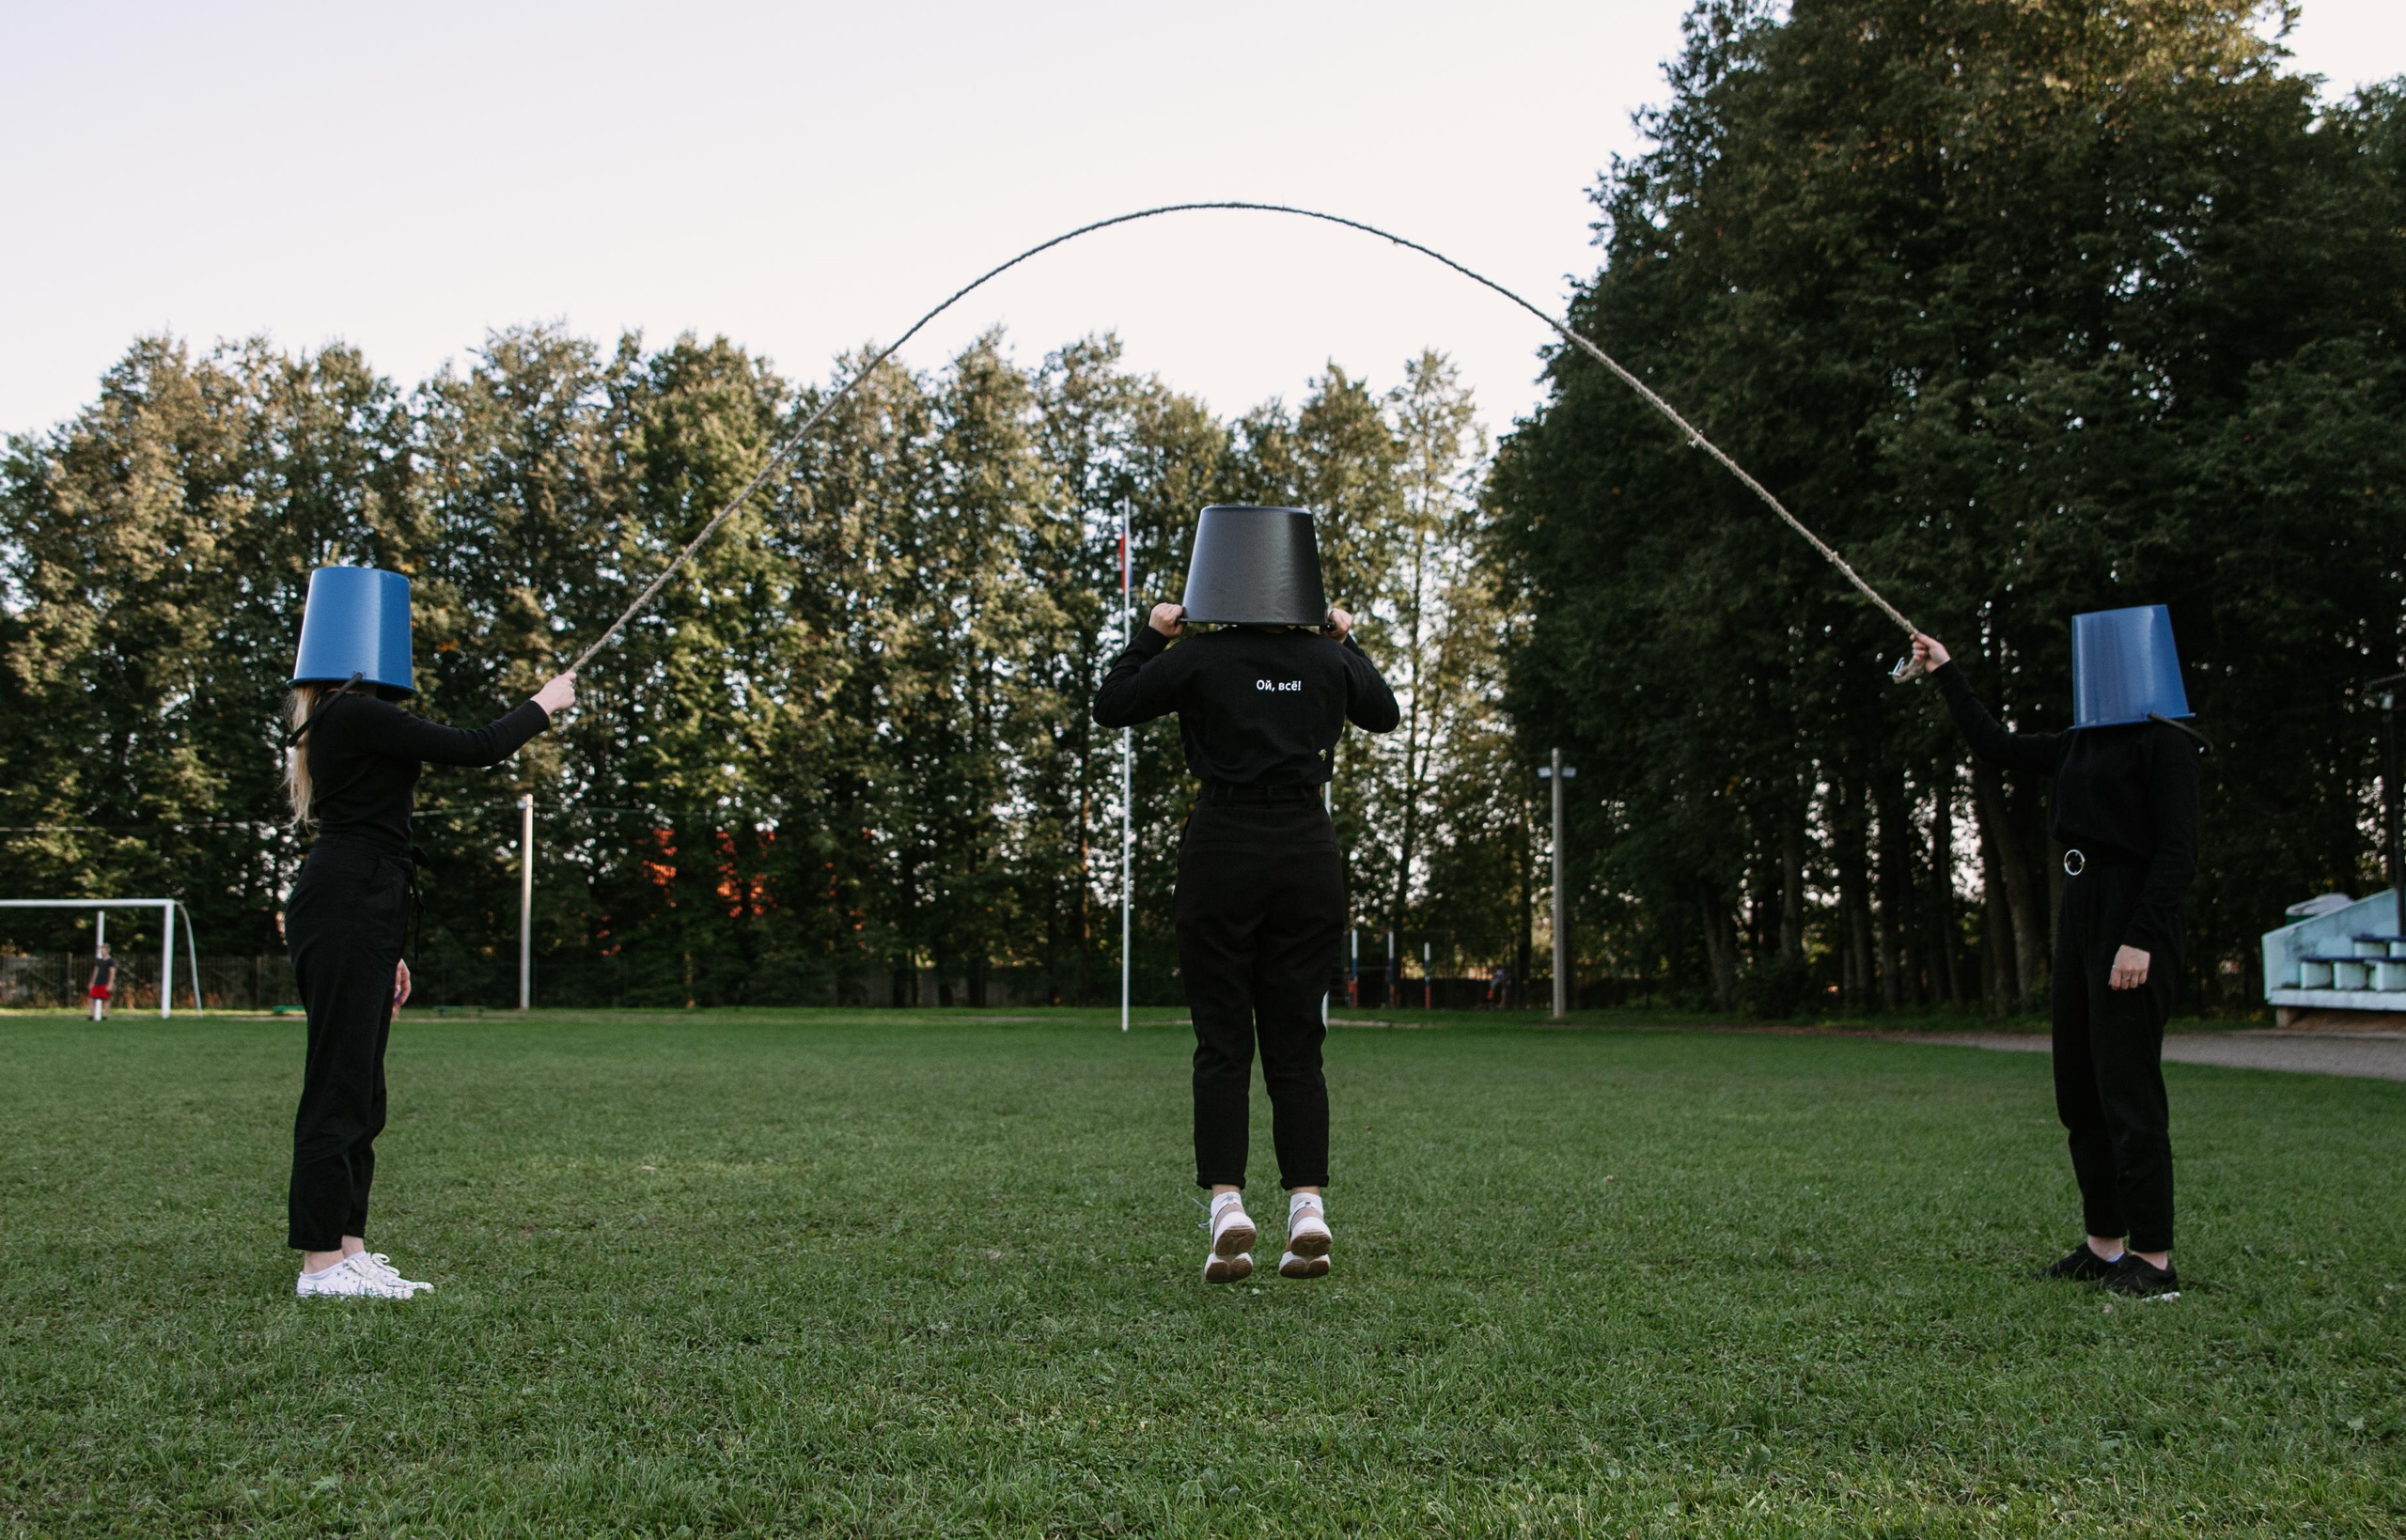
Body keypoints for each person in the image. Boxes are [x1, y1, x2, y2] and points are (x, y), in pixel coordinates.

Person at [1093, 504, 1399, 1284]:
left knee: (1223, 1037)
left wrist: (1153, 633)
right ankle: (1307, 1207)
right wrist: (1345, 640)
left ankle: (1227, 1205)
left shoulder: (1199, 657)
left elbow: (1112, 702)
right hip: (1306, 849)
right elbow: (1385, 711)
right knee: (1298, 1040)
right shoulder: (1327, 660)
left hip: (1222, 846)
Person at [280, 565, 574, 1300]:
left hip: (364, 903)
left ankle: (348, 1250)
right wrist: (544, 703)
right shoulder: (350, 710)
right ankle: (321, 1264)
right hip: (348, 900)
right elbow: (477, 746)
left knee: (363, 1088)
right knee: (338, 1085)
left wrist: (389, 947)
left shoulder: (344, 717)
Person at [1913, 605, 2203, 1299]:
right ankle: (2105, 1246)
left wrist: (2140, 938)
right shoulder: (2079, 741)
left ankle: (2154, 1259)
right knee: (2079, 1089)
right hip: (2081, 909)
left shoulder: (2167, 743)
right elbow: (1996, 745)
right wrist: (1946, 670)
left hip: (2133, 918)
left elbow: (2177, 853)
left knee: (2129, 1092)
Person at [86, 942, 115, 1020]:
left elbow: (112, 973)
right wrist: (92, 982)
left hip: (105, 982)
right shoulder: (98, 961)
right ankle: (91, 1014)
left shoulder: (111, 961)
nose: (102, 951)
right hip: (97, 982)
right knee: (92, 998)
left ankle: (105, 1015)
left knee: (106, 999)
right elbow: (95, 971)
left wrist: (110, 984)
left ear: (107, 950)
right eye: (101, 950)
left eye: (103, 950)